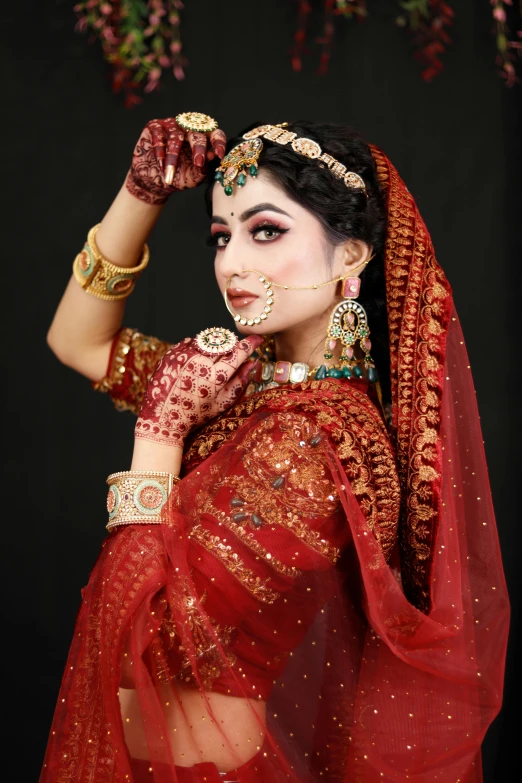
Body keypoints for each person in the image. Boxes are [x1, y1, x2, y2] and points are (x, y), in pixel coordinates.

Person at [40, 114, 509, 783]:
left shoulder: (318, 434)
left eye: (266, 230)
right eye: (220, 236)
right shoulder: (238, 380)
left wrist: (159, 433)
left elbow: (159, 635)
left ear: (351, 254)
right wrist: (140, 194)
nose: (232, 262)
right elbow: (76, 342)